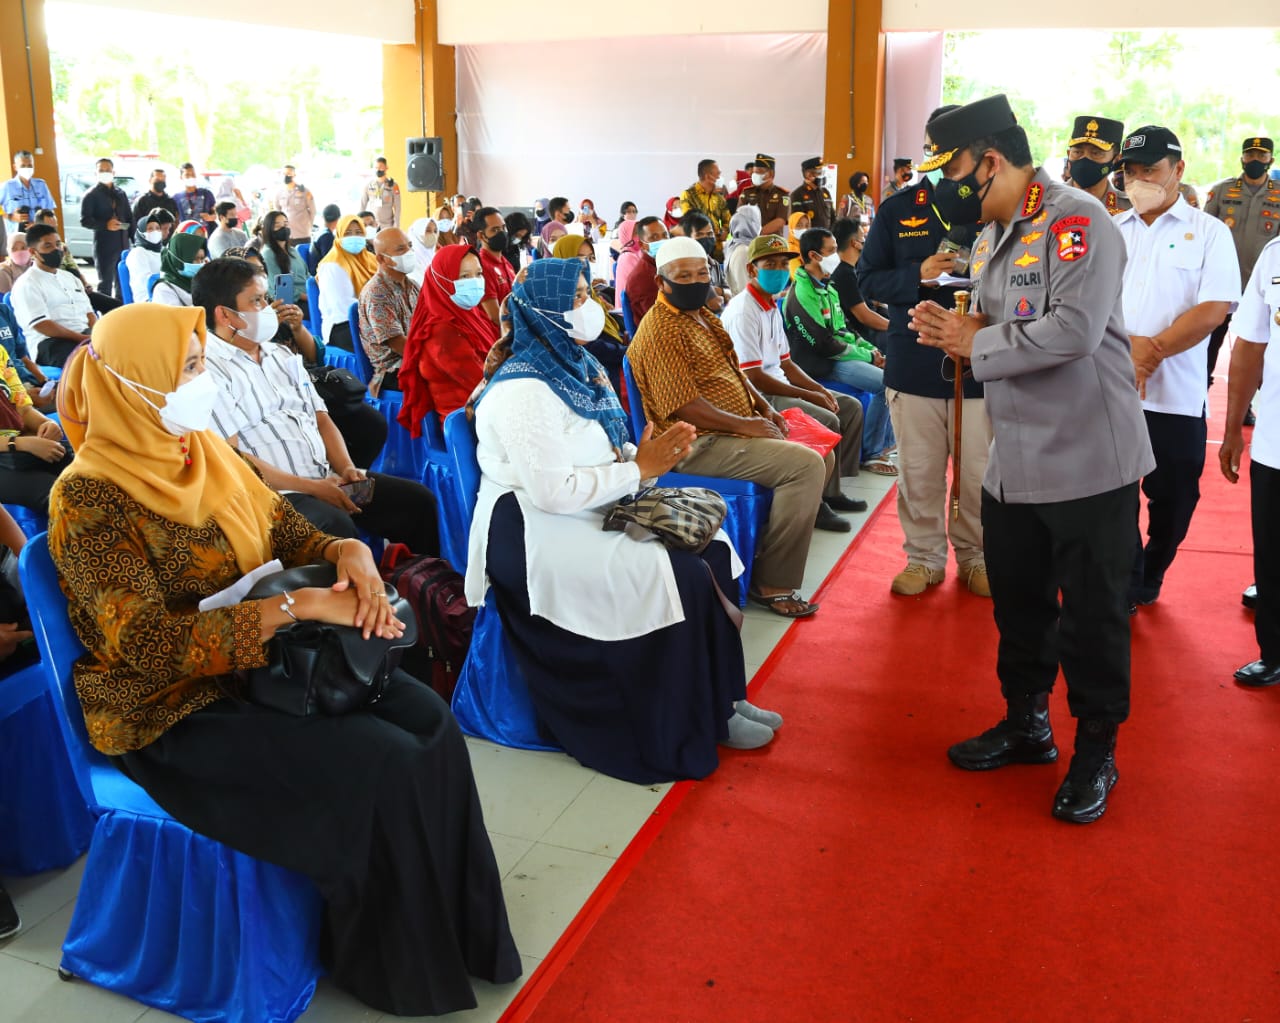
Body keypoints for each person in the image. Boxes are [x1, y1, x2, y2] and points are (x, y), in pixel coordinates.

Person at [48, 303, 519, 1014]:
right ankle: (394, 962)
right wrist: (299, 607)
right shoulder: (87, 497)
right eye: (186, 369)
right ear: (132, 384)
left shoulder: (203, 448)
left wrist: (346, 551)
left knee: (430, 722)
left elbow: (286, 528)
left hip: (267, 666)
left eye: (200, 366)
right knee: (382, 761)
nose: (201, 383)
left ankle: (463, 930)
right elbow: (147, 646)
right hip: (172, 707)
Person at [909, 93, 1154, 824]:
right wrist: (954, 325)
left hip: (1087, 461)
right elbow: (1001, 319)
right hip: (1013, 457)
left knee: (1092, 616)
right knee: (1019, 604)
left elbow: (1074, 331)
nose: (947, 188)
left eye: (953, 172)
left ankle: (1097, 750)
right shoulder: (994, 232)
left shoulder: (1078, 221)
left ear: (990, 160)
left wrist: (974, 341)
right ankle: (1028, 724)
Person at [468, 257, 781, 780]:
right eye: (575, 298)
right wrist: (639, 469)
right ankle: (689, 719)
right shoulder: (524, 390)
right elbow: (551, 490)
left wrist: (646, 455)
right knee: (679, 575)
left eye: (587, 294)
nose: (588, 306)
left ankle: (723, 697)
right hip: (536, 529)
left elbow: (602, 446)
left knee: (712, 547)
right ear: (543, 310)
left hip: (592, 505)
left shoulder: (575, 363)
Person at [627, 236, 828, 619]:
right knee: (806, 466)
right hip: (695, 444)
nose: (696, 282)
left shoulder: (701, 317)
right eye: (683, 276)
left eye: (701, 273)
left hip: (730, 432)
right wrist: (748, 425)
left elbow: (736, 373)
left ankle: (767, 551)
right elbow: (685, 406)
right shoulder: (661, 330)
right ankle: (773, 583)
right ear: (661, 282)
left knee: (820, 450)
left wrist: (763, 408)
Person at [194, 259, 439, 556]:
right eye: (256, 301)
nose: (268, 308)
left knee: (417, 502)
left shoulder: (280, 354)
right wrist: (311, 488)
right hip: (276, 498)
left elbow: (321, 419)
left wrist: (347, 468)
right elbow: (234, 458)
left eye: (265, 298)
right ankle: (364, 585)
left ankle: (424, 579)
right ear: (225, 315)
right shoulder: (208, 371)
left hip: (328, 480)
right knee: (335, 526)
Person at [857, 109, 990, 597]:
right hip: (913, 361)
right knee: (918, 472)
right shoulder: (899, 209)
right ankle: (924, 558)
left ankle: (975, 556)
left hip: (981, 363)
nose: (952, 169)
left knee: (977, 473)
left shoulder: (996, 206)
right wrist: (918, 275)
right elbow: (867, 279)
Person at [1114, 126, 1239, 608]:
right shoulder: (1112, 231)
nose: (1139, 181)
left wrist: (1152, 350)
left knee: (1175, 496)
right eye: (1131, 172)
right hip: (1112, 389)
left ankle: (1154, 567)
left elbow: (1213, 309)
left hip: (1176, 397)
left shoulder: (1209, 233)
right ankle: (1127, 581)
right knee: (1114, 494)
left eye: (1151, 170)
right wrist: (1126, 349)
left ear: (1178, 170)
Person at [722, 233, 868, 527]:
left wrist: (818, 389)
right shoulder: (743, 311)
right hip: (758, 396)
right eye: (770, 265)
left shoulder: (770, 304)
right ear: (751, 269)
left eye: (782, 264)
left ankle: (832, 489)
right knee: (827, 417)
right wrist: (808, 395)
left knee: (850, 407)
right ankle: (816, 502)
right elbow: (753, 376)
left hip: (778, 384)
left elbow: (786, 363)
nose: (778, 271)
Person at [225, 246, 388, 471]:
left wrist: (298, 327)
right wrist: (264, 326)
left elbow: (314, 357)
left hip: (308, 383)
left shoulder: (273, 304)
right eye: (246, 271)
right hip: (274, 393)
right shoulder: (233, 317)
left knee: (372, 424)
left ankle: (347, 474)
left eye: (259, 270)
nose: (255, 276)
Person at [784, 227, 895, 476]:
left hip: (839, 355)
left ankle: (886, 445)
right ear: (814, 256)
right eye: (831, 251)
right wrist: (867, 357)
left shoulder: (828, 287)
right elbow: (823, 344)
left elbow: (845, 329)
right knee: (885, 384)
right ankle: (872, 453)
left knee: (893, 372)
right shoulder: (801, 293)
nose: (837, 255)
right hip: (820, 363)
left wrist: (871, 350)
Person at [1222, 236, 1280, 686]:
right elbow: (1249, 345)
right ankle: (1275, 652)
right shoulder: (1275, 254)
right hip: (1276, 441)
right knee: (1273, 553)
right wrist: (1232, 428)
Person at [1204, 137, 1280, 391]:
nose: (1255, 160)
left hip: (1262, 285)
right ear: (1242, 158)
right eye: (1250, 155)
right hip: (1223, 281)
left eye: (1261, 155)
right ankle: (1202, 389)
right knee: (1211, 339)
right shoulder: (1222, 191)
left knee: (1261, 345)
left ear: (1271, 159)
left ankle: (1252, 399)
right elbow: (1204, 234)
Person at [398, 243, 497, 430]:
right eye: (464, 276)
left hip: (489, 408)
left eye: (479, 274)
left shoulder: (470, 314)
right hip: (470, 421)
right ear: (442, 281)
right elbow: (482, 384)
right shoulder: (442, 332)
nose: (475, 282)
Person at [0, 334, 71, 510]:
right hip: (13, 450)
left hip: (23, 448)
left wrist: (46, 424)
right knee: (66, 499)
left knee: (97, 478)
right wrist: (19, 443)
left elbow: (23, 409)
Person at [10, 224, 95, 368]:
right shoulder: (27, 283)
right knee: (90, 361)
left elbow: (89, 313)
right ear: (33, 252)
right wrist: (82, 338)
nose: (56, 250)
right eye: (48, 246)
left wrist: (97, 333)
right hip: (50, 343)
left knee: (121, 349)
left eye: (58, 244)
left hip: (84, 335)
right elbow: (42, 325)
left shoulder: (70, 278)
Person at [551, 234, 627, 391]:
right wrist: (626, 352)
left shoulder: (587, 291)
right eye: (579, 258)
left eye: (589, 258)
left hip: (611, 356)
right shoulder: (562, 297)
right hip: (598, 369)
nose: (585, 264)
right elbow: (589, 346)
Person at [358, 228, 419, 396]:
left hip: (417, 357)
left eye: (410, 246)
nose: (409, 252)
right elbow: (399, 345)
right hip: (393, 370)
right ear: (381, 258)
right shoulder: (377, 293)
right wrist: (437, 360)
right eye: (401, 249)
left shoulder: (413, 286)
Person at [315, 214, 377, 350]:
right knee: (387, 343)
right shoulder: (332, 265)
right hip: (343, 324)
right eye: (348, 233)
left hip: (371, 319)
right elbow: (343, 306)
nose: (354, 237)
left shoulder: (371, 259)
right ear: (339, 236)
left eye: (359, 232)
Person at [79, 157, 133, 301]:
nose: (105, 173)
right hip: (104, 245)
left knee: (123, 282)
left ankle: (123, 309)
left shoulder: (120, 193)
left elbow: (129, 217)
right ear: (95, 173)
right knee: (105, 284)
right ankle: (106, 312)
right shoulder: (91, 195)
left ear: (113, 172)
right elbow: (85, 220)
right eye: (101, 170)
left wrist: (135, 239)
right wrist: (105, 224)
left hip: (123, 243)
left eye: (107, 170)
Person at [830, 218, 889, 338]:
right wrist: (896, 327)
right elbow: (864, 317)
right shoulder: (844, 274)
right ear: (854, 243)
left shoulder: (849, 268)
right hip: (865, 337)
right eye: (863, 237)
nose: (865, 241)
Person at [1065, 116, 1130, 215]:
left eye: (1096, 153)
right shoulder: (1048, 201)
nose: (1085, 159)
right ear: (1068, 154)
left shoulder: (1129, 208)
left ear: (1116, 160)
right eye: (1077, 152)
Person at [258, 210, 310, 315]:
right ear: (269, 229)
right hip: (291, 303)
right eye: (278, 226)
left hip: (308, 294)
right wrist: (309, 297)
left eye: (285, 224)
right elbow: (279, 288)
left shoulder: (292, 250)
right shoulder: (267, 254)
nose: (283, 228)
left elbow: (306, 274)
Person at [617, 216, 667, 323]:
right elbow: (659, 319)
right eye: (654, 237)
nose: (662, 241)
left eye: (665, 236)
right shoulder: (645, 276)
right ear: (642, 245)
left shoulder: (658, 265)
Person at [679, 159, 731, 259]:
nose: (720, 177)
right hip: (697, 247)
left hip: (717, 249)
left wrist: (725, 230)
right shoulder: (688, 195)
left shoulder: (719, 197)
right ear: (707, 176)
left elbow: (727, 219)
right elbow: (690, 221)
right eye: (718, 174)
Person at [473, 206, 515, 328]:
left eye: (503, 228)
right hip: (497, 335)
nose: (502, 233)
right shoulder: (481, 266)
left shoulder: (505, 262)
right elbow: (495, 316)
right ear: (481, 236)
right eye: (495, 230)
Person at [123, 209, 174, 303]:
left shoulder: (163, 251)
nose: (155, 231)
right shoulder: (138, 253)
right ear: (141, 232)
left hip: (166, 294)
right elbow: (146, 283)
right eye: (150, 229)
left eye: (157, 228)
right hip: (147, 299)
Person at [736, 154, 790, 236]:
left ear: (771, 174)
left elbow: (780, 221)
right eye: (754, 172)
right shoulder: (747, 192)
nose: (755, 175)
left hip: (772, 241)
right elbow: (739, 215)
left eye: (759, 172)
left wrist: (758, 233)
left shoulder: (782, 194)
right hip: (749, 240)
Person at [151, 232, 208, 308]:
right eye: (195, 259)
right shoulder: (163, 289)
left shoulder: (200, 284)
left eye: (202, 259)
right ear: (177, 260)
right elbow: (175, 315)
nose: (200, 263)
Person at [1, 152, 54, 229]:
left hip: (40, 231)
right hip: (17, 233)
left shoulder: (41, 184)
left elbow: (50, 209)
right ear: (15, 167)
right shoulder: (7, 186)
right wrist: (11, 216)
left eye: (30, 165)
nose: (27, 168)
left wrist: (38, 222)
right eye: (23, 166)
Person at [724, 205, 762, 296]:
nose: (760, 226)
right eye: (757, 221)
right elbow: (747, 289)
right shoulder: (743, 251)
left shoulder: (735, 245)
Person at [273, 165, 316, 245]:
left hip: (302, 234)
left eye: (288, 173)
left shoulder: (305, 191)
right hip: (286, 235)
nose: (286, 176)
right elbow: (277, 212)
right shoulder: (279, 193)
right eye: (284, 174)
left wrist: (309, 226)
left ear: (294, 175)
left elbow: (313, 210)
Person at [790, 157, 835, 230]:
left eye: (822, 172)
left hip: (826, 235)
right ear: (808, 174)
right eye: (819, 173)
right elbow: (798, 222)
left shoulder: (825, 192)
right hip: (809, 236)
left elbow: (833, 218)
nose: (822, 176)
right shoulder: (797, 194)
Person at [361, 157, 401, 230]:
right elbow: (362, 205)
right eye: (376, 168)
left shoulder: (394, 186)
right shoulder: (368, 185)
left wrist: (396, 225)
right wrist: (360, 224)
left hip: (388, 225)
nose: (378, 170)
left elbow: (397, 207)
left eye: (381, 167)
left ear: (386, 167)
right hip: (373, 226)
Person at [308, 203, 341, 273]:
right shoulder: (327, 237)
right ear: (338, 219)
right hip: (321, 274)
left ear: (323, 217)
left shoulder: (320, 232)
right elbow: (330, 261)